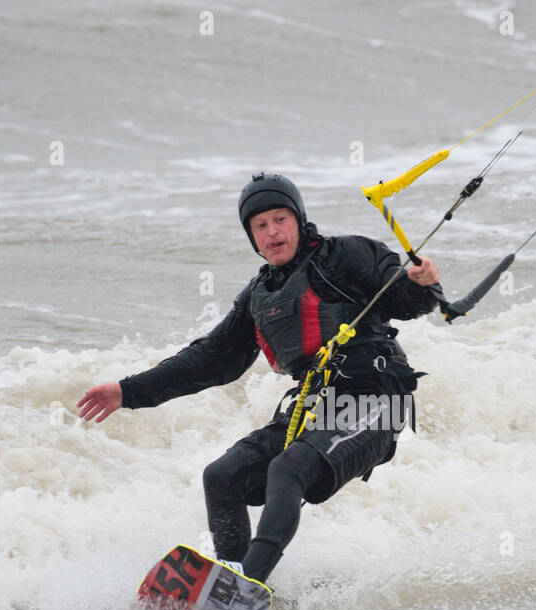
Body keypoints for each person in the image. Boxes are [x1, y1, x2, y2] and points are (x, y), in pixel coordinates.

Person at [77, 172, 445, 586]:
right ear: (251, 236)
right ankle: (233, 590)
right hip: (315, 408)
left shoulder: (343, 256)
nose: (272, 232)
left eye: (280, 219)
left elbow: (400, 297)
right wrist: (127, 391)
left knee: (288, 468)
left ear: (298, 219)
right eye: (260, 226)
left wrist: (421, 285)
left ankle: (246, 585)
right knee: (222, 476)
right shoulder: (259, 295)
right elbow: (211, 359)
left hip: (376, 401)